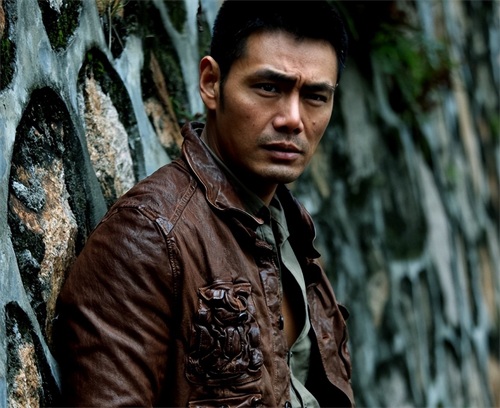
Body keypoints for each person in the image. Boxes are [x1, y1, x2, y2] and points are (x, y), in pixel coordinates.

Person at [54, 1, 354, 407]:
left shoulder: (291, 229)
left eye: (315, 96)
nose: (293, 119)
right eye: (269, 88)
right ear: (212, 83)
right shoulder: (149, 237)